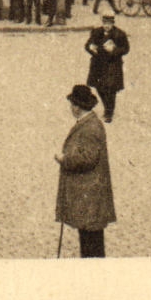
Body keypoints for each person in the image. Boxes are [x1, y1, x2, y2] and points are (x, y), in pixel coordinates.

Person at [55, 83, 116, 258]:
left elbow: (88, 158)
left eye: (72, 104)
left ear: (76, 106)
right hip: (89, 196)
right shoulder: (90, 123)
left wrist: (64, 160)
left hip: (89, 196)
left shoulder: (90, 128)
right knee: (89, 240)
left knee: (91, 245)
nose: (71, 108)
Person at [84, 13, 130, 121]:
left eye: (109, 24)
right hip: (98, 64)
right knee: (99, 87)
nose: (106, 26)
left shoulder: (120, 34)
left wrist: (114, 50)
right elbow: (87, 45)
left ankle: (109, 112)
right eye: (105, 23)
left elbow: (126, 49)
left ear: (113, 23)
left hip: (112, 65)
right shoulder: (96, 32)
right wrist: (92, 49)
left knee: (111, 89)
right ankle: (107, 107)